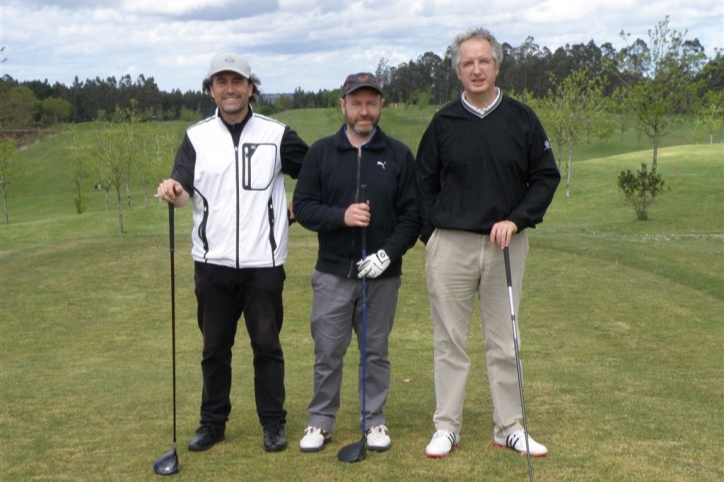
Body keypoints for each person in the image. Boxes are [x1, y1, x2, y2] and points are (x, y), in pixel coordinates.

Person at [416, 28, 561, 458]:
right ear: (458, 71)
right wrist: (433, 237)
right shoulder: (443, 122)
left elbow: (545, 177)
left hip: (506, 247)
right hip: (451, 247)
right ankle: (447, 426)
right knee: (449, 342)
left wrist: (516, 221)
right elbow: (424, 184)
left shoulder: (521, 118)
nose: (476, 69)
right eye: (467, 63)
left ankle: (509, 427)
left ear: (497, 65)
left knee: (505, 341)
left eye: (484, 61)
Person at [156, 53, 308, 453]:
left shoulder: (277, 134)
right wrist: (172, 192)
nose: (230, 88)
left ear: (251, 87)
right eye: (221, 82)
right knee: (214, 350)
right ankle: (213, 423)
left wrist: (297, 209)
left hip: (264, 265)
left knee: (267, 347)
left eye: (237, 81)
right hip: (212, 264)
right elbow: (183, 188)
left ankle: (273, 424)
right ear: (211, 89)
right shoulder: (196, 137)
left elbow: (314, 172)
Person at [292, 73, 420, 453]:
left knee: (375, 350)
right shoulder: (321, 153)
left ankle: (373, 421)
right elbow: (304, 208)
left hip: (382, 276)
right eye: (357, 103)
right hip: (333, 271)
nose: (364, 111)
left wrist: (387, 254)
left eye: (371, 103)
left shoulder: (398, 155)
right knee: (328, 351)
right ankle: (320, 421)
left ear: (381, 106)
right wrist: (342, 217)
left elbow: (412, 216)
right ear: (343, 105)